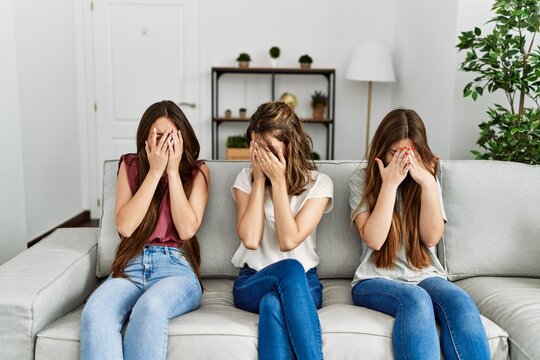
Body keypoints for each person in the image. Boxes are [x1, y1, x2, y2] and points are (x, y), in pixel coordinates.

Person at [349, 109, 490, 360]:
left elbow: (431, 238)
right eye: (395, 153)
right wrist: (390, 184)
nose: (403, 161)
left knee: (460, 301)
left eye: (410, 154)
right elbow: (375, 239)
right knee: (415, 299)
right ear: (381, 150)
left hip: (424, 274)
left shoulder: (427, 179)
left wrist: (427, 185)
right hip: (374, 279)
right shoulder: (361, 181)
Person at [80, 100, 210, 360]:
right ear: (146, 141)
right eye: (158, 137)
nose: (165, 145)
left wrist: (172, 172)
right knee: (96, 313)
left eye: (172, 137)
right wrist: (154, 172)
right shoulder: (129, 166)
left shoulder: (198, 171)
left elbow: (186, 229)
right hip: (131, 266)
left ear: (183, 139)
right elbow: (125, 226)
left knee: (150, 307)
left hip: (177, 269)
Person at [231, 102, 333, 360]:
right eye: (257, 148)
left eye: (271, 149)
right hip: (253, 281)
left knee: (273, 302)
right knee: (288, 269)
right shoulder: (245, 179)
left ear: (290, 145)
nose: (263, 155)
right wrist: (260, 180)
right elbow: (251, 240)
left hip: (304, 284)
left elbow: (288, 240)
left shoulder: (318, 184)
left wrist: (278, 181)